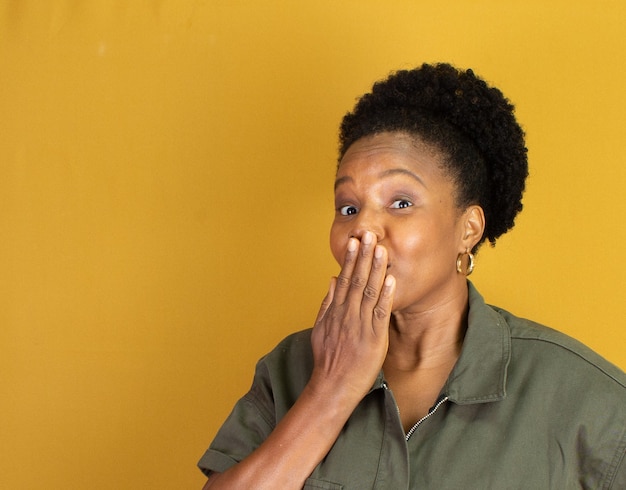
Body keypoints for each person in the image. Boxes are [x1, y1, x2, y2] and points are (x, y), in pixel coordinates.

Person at [197, 63, 626, 489]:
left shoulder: (589, 400)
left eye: (400, 202)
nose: (361, 229)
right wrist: (332, 388)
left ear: (468, 229)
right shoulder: (289, 369)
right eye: (348, 208)